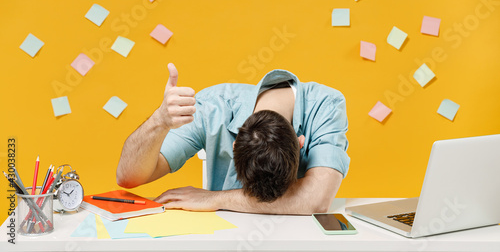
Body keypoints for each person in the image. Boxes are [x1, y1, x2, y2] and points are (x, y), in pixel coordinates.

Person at [116, 63, 350, 215]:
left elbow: (317, 201)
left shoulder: (326, 106)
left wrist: (216, 198)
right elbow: (128, 176)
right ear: (235, 145)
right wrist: (159, 121)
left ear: (300, 144)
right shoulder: (212, 106)